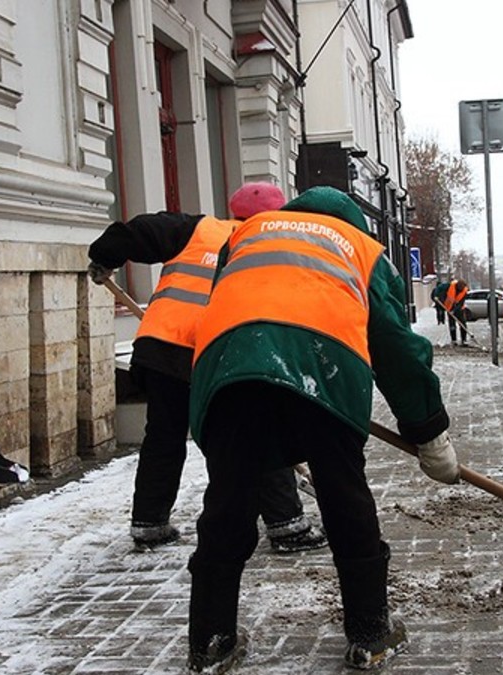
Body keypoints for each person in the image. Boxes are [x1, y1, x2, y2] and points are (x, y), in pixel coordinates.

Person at [184, 185, 459, 673]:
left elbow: (233, 303)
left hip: (232, 368)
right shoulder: (363, 249)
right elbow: (396, 349)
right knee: (343, 494)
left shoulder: (247, 235)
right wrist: (428, 429)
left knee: (229, 501)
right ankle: (371, 632)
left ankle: (210, 639)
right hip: (324, 367)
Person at [87, 183, 329, 555]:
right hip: (222, 353)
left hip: (162, 349)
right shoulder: (277, 245)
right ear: (280, 216)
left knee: (164, 438)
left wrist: (104, 258)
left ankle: (150, 523)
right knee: (259, 430)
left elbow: (138, 231)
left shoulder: (197, 229)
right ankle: (287, 525)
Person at [443, 278, 469, 345]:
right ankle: (454, 340)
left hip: (460, 309)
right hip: (449, 308)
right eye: (460, 287)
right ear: (458, 285)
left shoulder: (464, 291)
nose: (461, 289)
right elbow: (443, 295)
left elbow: (460, 303)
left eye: (462, 287)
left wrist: (454, 311)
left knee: (463, 324)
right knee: (452, 325)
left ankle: (464, 339)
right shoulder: (450, 287)